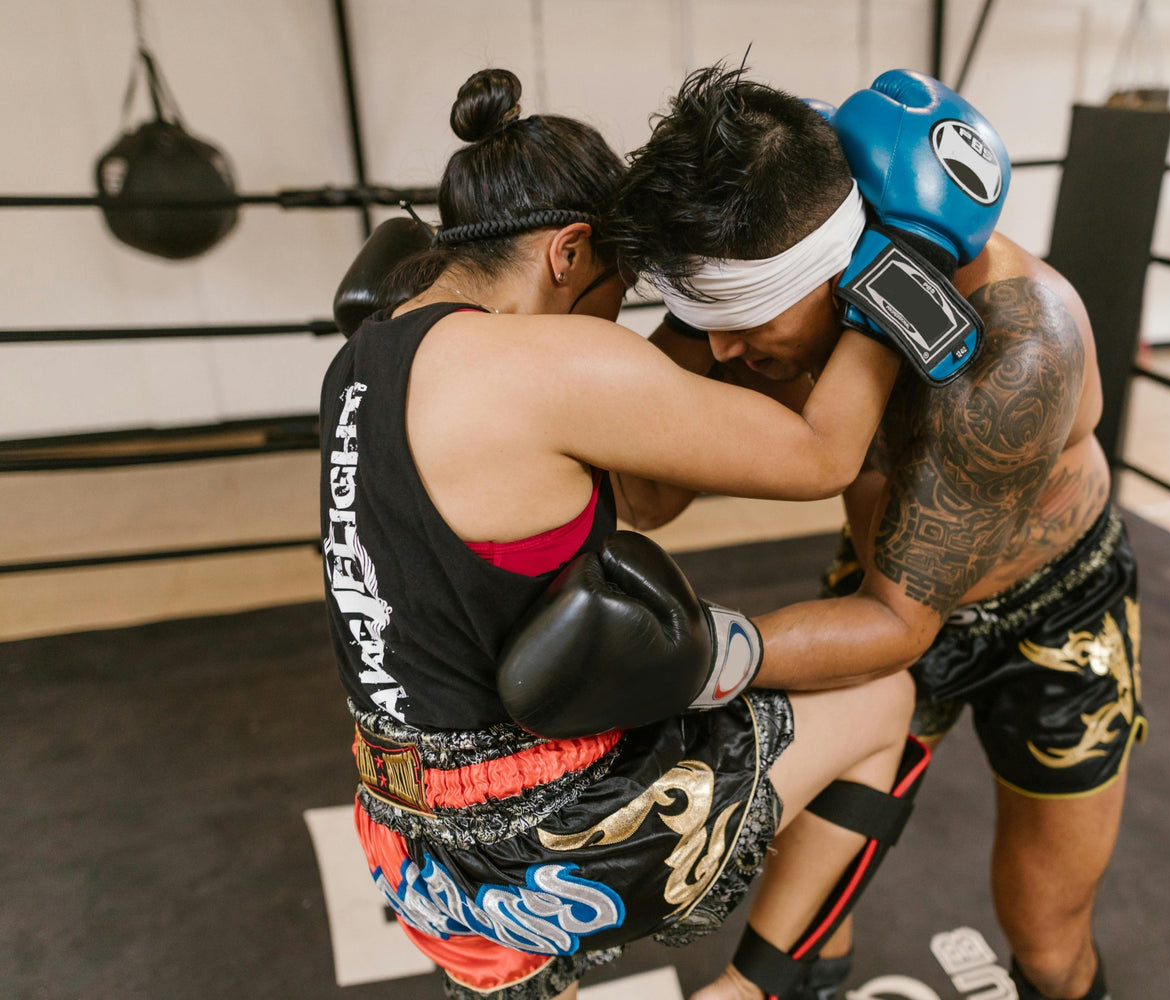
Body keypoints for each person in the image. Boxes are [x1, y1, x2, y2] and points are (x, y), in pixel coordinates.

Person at [320, 67, 922, 1000]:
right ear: (568, 252)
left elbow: (636, 499)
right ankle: (753, 990)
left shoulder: (362, 358)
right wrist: (903, 269)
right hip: (544, 843)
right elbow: (820, 456)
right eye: (624, 282)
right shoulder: (548, 360)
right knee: (885, 697)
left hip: (404, 848)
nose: (624, 315)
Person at [611, 66, 1144, 1000]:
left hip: (1051, 615)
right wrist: (700, 320)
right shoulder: (769, 291)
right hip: (878, 582)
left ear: (843, 264)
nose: (726, 351)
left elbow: (905, 625)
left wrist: (674, 658)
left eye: (742, 322)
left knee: (1050, 936)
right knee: (802, 927)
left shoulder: (1018, 344)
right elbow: (648, 499)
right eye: (709, 321)